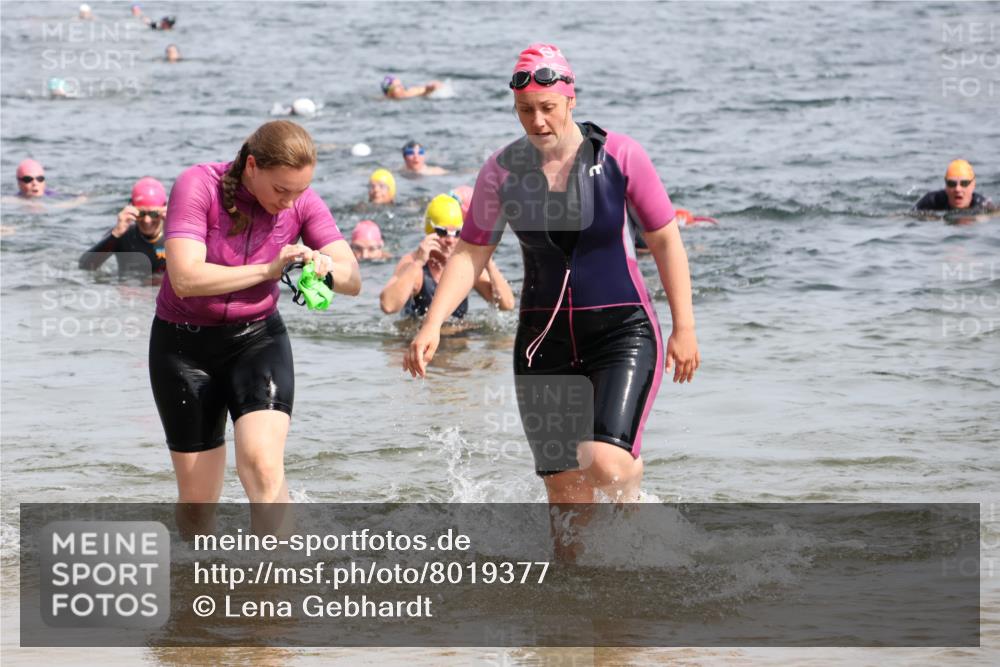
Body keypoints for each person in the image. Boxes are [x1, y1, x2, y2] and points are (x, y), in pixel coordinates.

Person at [403, 44, 700, 514]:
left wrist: (684, 327)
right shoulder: (501, 171)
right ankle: (576, 585)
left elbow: (665, 241)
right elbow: (472, 252)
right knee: (565, 498)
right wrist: (432, 323)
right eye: (525, 110)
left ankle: (635, 501)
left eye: (548, 108)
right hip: (543, 343)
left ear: (571, 101)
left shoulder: (620, 155)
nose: (537, 120)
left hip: (622, 330)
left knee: (605, 465)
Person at [149, 120, 360, 515]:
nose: (288, 201)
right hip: (182, 348)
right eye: (280, 189)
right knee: (197, 505)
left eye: (299, 191)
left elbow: (353, 279)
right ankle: (194, 577)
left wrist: (324, 263)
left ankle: (279, 573)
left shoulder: (302, 201)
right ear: (251, 166)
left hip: (257, 341)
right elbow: (184, 278)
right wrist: (268, 269)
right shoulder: (198, 185)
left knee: (263, 466)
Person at [381, 194, 513, 318]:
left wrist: (488, 263)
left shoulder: (465, 264)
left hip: (458, 338)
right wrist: (418, 263)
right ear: (429, 232)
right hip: (417, 339)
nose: (450, 240)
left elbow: (507, 305)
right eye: (442, 232)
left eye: (457, 233)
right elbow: (388, 306)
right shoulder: (413, 263)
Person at [79, 177, 168, 276]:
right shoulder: (122, 234)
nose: (147, 220)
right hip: (130, 287)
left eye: (154, 214)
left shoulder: (175, 236)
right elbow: (84, 266)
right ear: (131, 207)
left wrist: (176, 226)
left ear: (164, 208)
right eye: (141, 213)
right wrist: (116, 234)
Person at [913, 159, 993, 212]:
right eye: (952, 184)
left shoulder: (982, 205)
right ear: (946, 186)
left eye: (964, 183)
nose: (957, 189)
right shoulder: (931, 201)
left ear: (973, 185)